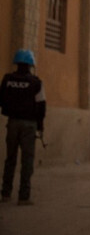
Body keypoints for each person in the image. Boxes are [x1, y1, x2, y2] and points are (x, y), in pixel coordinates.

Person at [0, 49, 46, 206]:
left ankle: (5, 193)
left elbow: (1, 99)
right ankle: (23, 197)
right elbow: (41, 106)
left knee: (10, 159)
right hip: (29, 125)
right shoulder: (36, 82)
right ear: (31, 64)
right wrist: (40, 127)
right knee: (27, 160)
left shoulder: (7, 79)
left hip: (12, 123)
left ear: (17, 63)